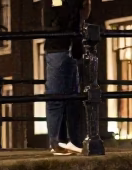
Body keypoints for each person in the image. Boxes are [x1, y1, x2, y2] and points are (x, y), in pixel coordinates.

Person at [43, 0, 90, 155]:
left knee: (72, 99)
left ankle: (73, 141)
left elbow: (83, 12)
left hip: (72, 46)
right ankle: (56, 143)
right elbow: (54, 17)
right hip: (59, 46)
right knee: (56, 97)